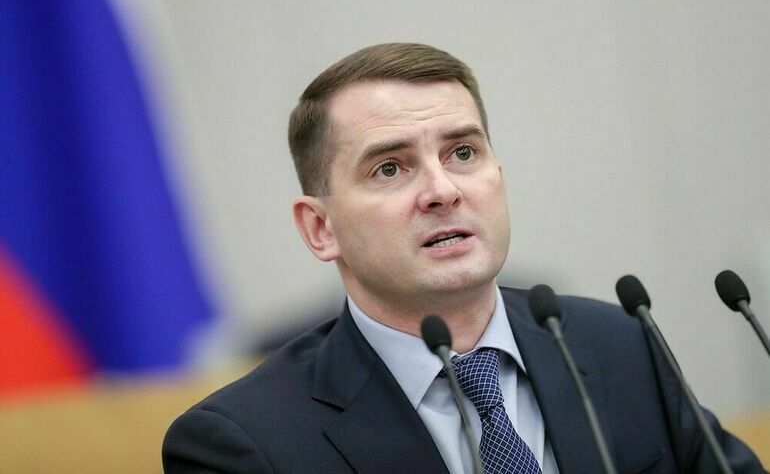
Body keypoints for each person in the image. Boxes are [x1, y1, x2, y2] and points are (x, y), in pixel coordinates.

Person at [162, 43, 764, 473]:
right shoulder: (244, 442)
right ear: (321, 228)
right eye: (390, 168)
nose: (442, 190)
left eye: (463, 153)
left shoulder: (620, 345)